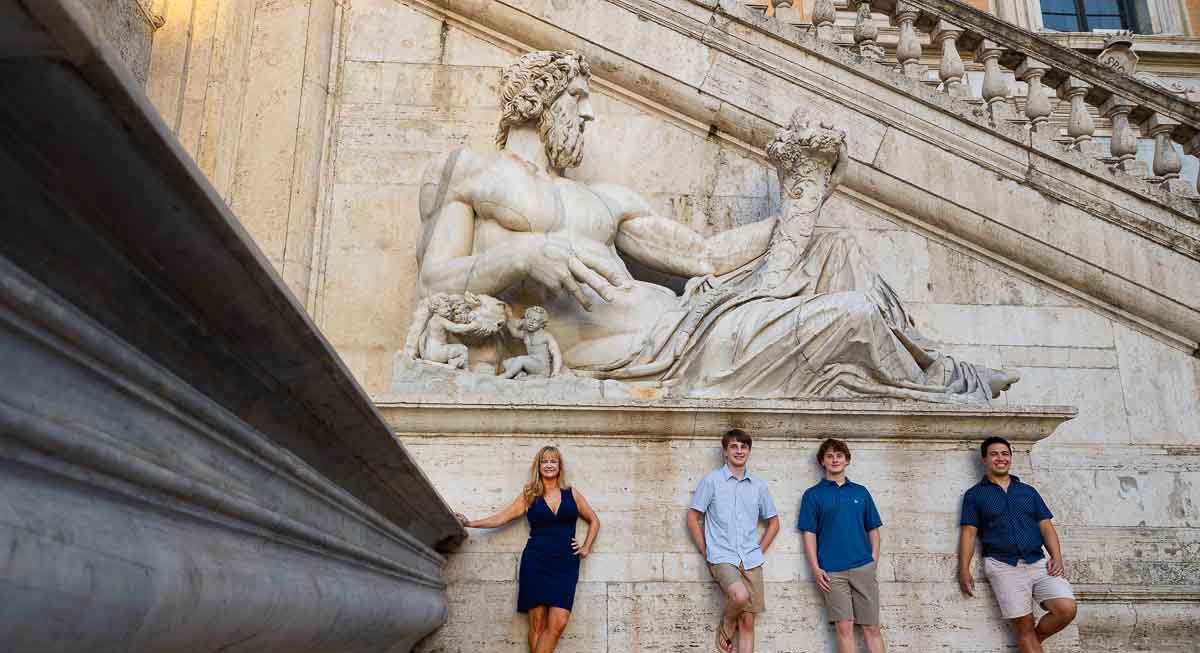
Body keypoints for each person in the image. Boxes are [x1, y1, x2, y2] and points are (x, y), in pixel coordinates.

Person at [415, 49, 1017, 402]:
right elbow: (437, 279)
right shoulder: (474, 174)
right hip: (648, 356)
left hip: (690, 324)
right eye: (578, 98)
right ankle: (948, 385)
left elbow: (706, 256)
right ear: (540, 100)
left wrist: (802, 203)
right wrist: (526, 256)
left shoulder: (602, 199)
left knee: (829, 246)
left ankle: (935, 369)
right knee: (854, 315)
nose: (591, 112)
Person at [455, 446, 600, 653]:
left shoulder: (572, 494)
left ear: (559, 466)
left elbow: (594, 520)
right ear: (539, 466)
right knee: (536, 626)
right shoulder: (530, 495)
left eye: (553, 461)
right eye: (544, 461)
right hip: (536, 562)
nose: (549, 465)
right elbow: (502, 517)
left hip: (566, 565)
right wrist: (471, 523)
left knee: (557, 624)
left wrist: (587, 546)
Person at [958, 436, 1077, 653]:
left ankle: (1031, 642)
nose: (1001, 458)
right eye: (994, 454)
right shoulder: (975, 495)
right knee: (1022, 626)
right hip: (1003, 566)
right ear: (984, 459)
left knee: (1066, 608)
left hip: (1038, 561)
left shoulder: (1028, 492)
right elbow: (969, 533)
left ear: (1010, 457)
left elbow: (1046, 527)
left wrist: (1057, 556)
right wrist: (964, 569)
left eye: (1005, 454)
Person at [798, 438, 910, 653]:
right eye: (829, 456)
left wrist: (873, 561)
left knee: (871, 627)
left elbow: (874, 529)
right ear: (822, 461)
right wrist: (815, 568)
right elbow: (809, 534)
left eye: (839, 455)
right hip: (832, 571)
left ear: (847, 460)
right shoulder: (813, 495)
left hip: (862, 567)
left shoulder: (860, 492)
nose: (834, 460)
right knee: (845, 627)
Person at [687, 428, 780, 653]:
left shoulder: (759, 486)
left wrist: (759, 550)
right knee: (738, 597)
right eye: (734, 447)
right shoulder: (712, 482)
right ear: (725, 451)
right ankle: (726, 623)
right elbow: (693, 516)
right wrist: (706, 551)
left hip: (750, 559)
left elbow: (774, 522)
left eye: (744, 447)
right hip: (722, 556)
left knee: (749, 623)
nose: (739, 451)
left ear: (749, 451)